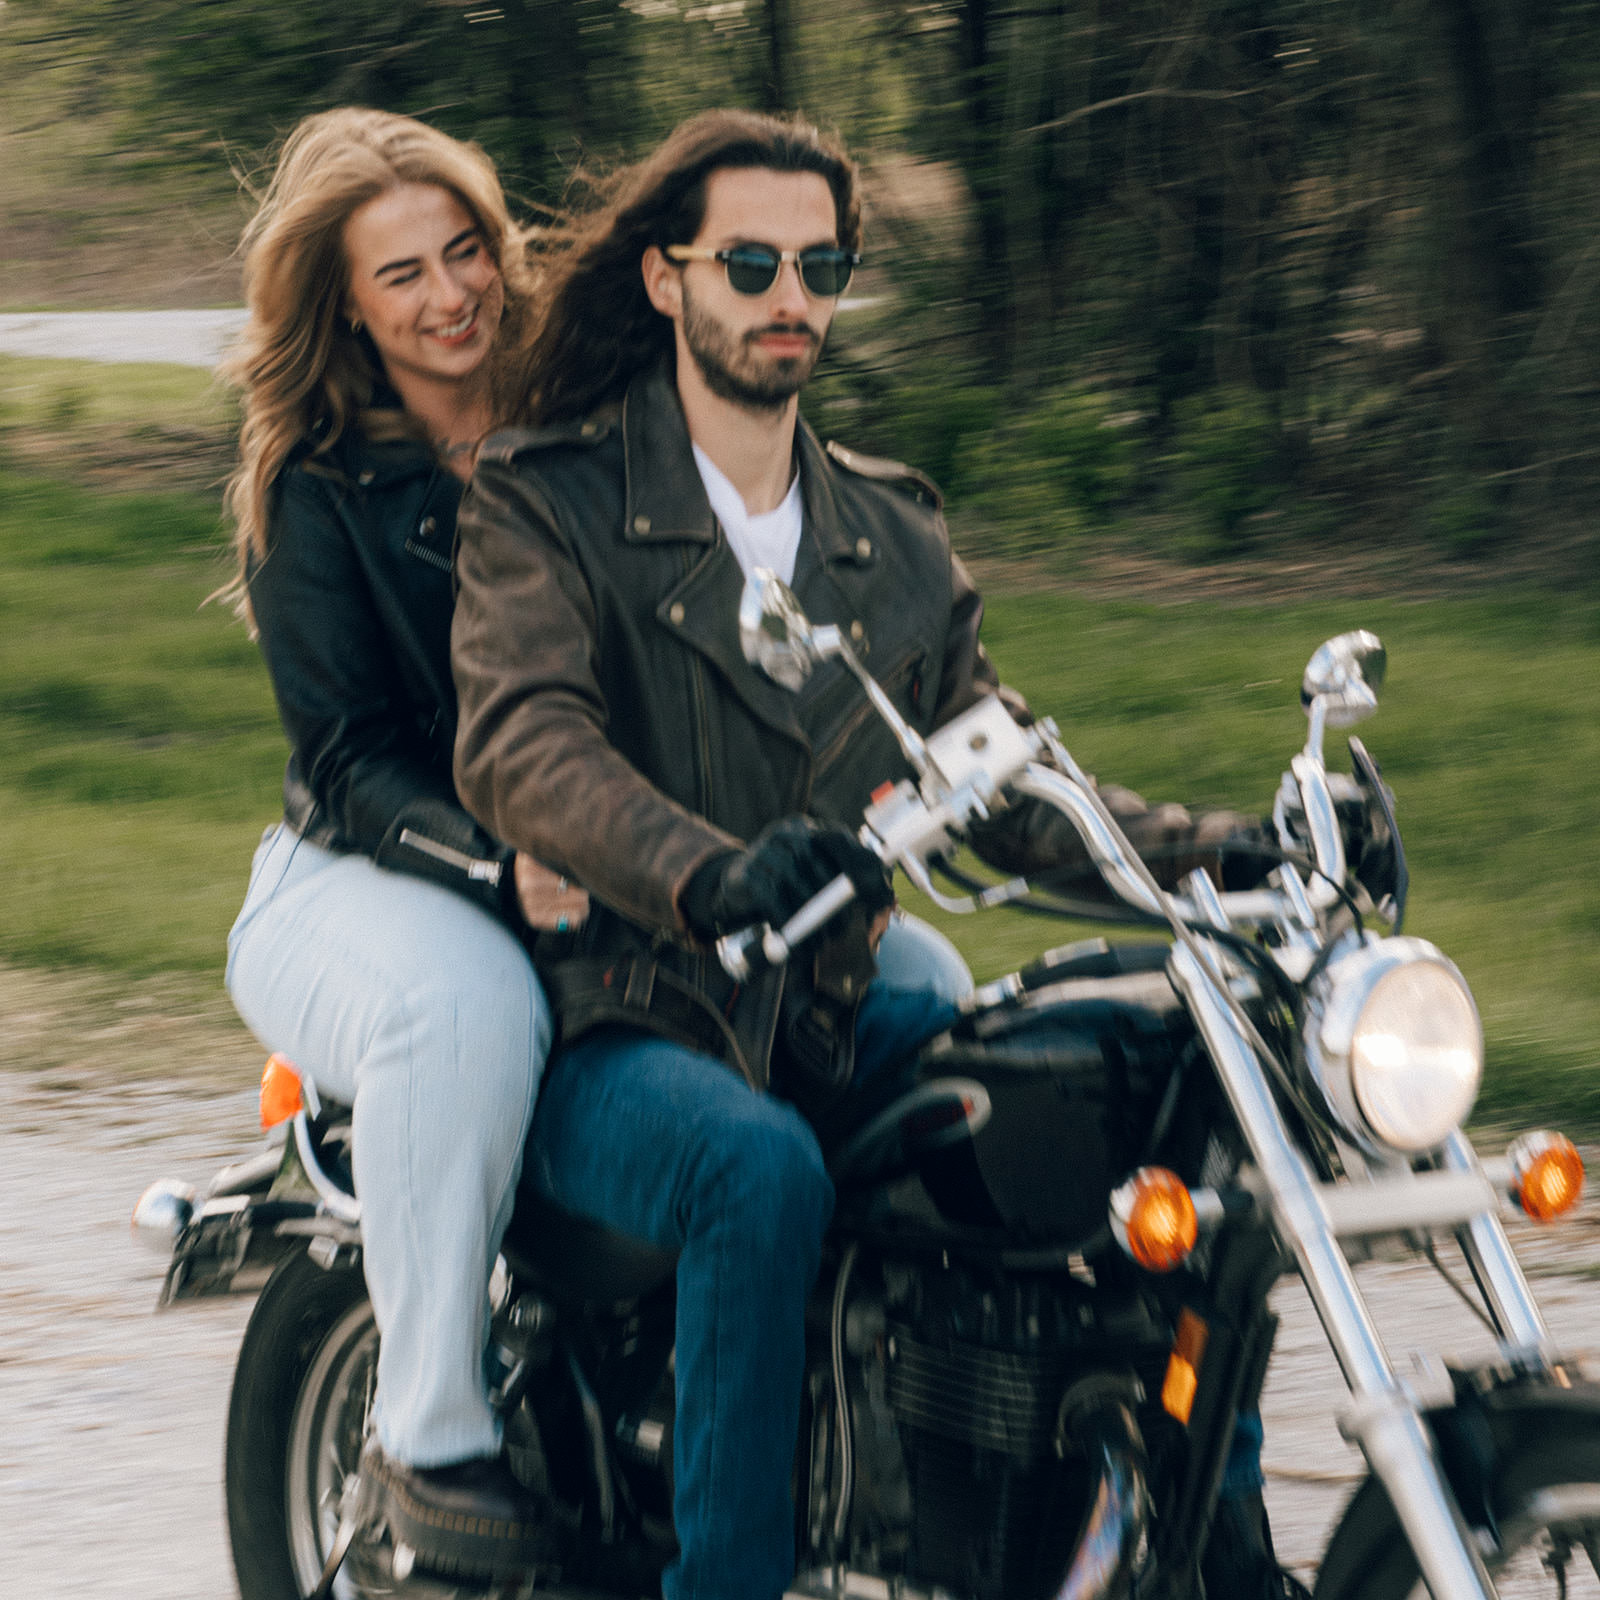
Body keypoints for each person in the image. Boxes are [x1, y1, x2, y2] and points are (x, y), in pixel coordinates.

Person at [451, 109, 1290, 1600]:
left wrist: (1232, 853)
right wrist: (706, 869)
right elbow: (524, 744)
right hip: (615, 1019)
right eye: (752, 261)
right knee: (753, 1169)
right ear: (667, 280)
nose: (790, 297)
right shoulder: (553, 495)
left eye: (819, 264)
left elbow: (1002, 782)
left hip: (822, 1014)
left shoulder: (889, 535)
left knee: (1149, 1080)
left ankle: (1193, 1552)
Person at [218, 107, 586, 1582]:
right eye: (402, 275)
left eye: (466, 251)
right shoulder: (314, 488)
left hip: (577, 855)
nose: (451, 297)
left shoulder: (583, 422)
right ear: (345, 307)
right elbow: (353, 762)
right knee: (466, 1002)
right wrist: (499, 873)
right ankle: (432, 1442)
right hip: (361, 876)